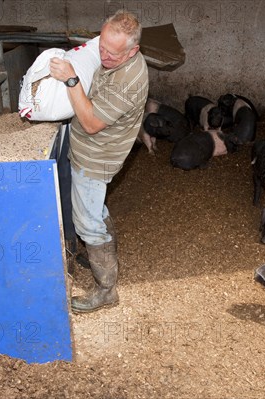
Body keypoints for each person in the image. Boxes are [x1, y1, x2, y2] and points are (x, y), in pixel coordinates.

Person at [49, 10, 149, 313]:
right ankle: (102, 254)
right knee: (96, 208)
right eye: (101, 46)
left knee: (88, 222)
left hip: (96, 157)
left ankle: (106, 290)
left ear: (133, 51)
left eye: (112, 53)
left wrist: (71, 79)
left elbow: (91, 122)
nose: (103, 55)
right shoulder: (114, 55)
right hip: (91, 150)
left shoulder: (129, 80)